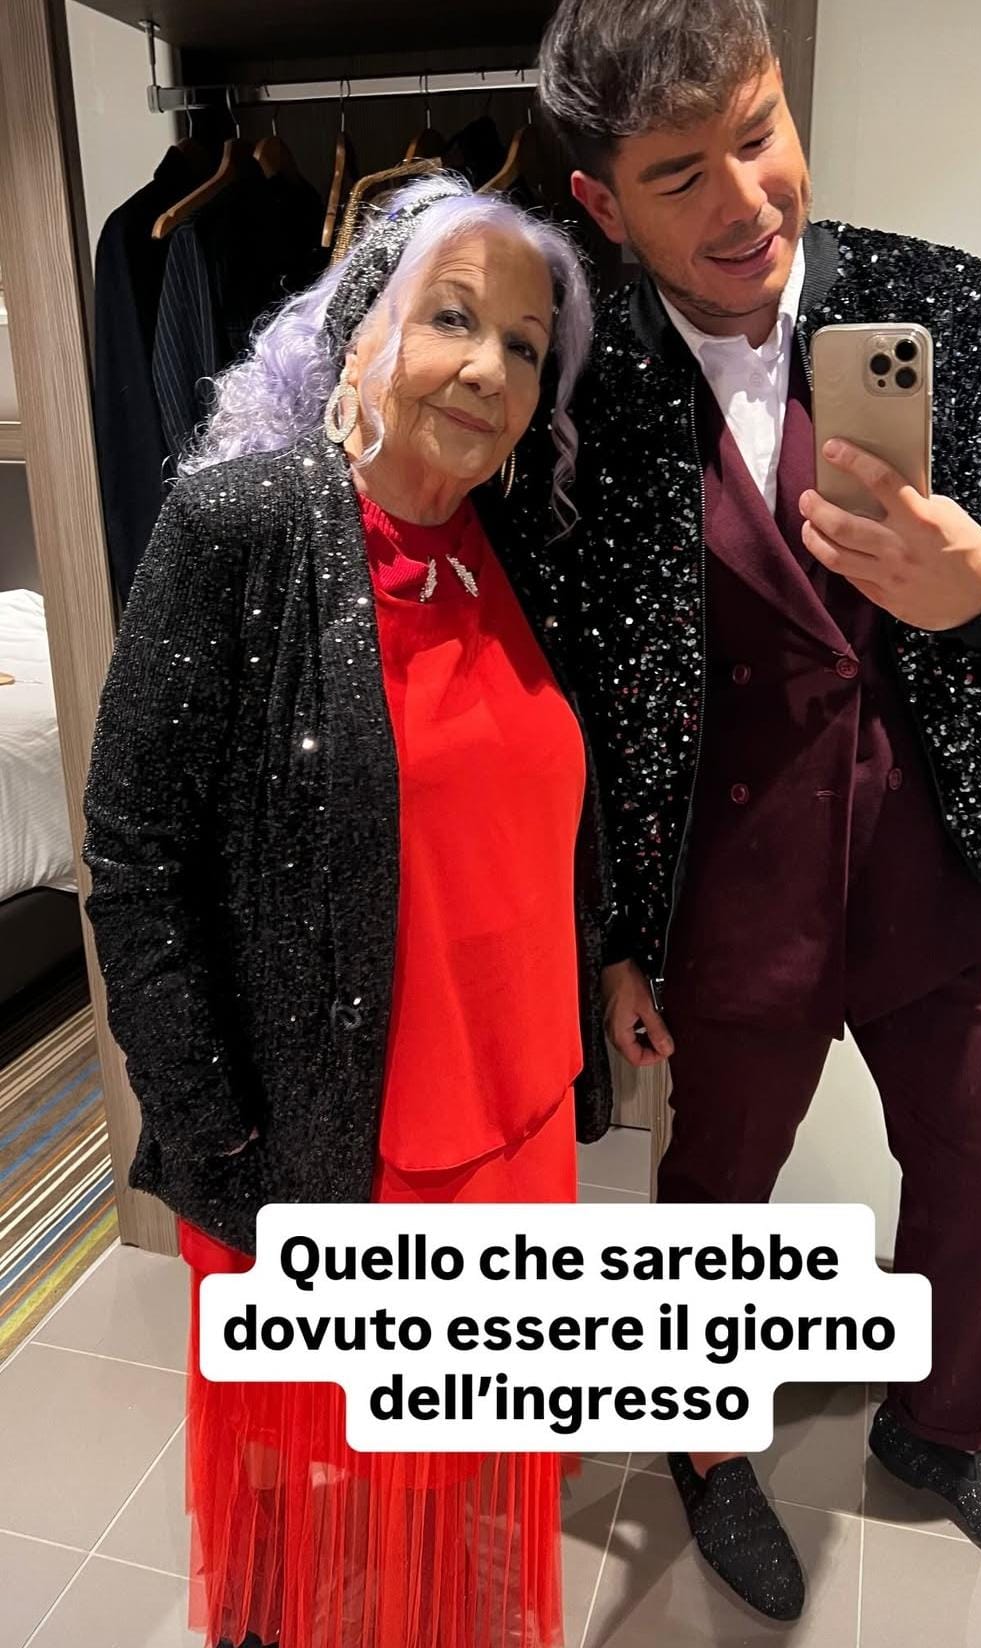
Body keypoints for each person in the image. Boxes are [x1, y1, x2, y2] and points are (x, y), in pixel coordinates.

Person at [532, 0, 981, 1622]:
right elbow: (574, 702)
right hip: (723, 900)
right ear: (601, 204)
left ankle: (942, 1430)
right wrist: (609, 942)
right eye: (680, 173)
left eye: (760, 133)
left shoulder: (945, 304)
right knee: (713, 1203)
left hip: (942, 863)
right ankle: (702, 1453)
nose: (745, 200)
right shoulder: (576, 387)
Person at [81, 175, 611, 1648]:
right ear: (360, 330)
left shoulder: (514, 542)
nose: (491, 369)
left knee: (447, 1490)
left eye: (525, 346)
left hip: (512, 1120)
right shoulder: (240, 526)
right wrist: (215, 1134)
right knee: (317, 1488)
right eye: (454, 319)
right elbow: (134, 854)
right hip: (336, 1148)